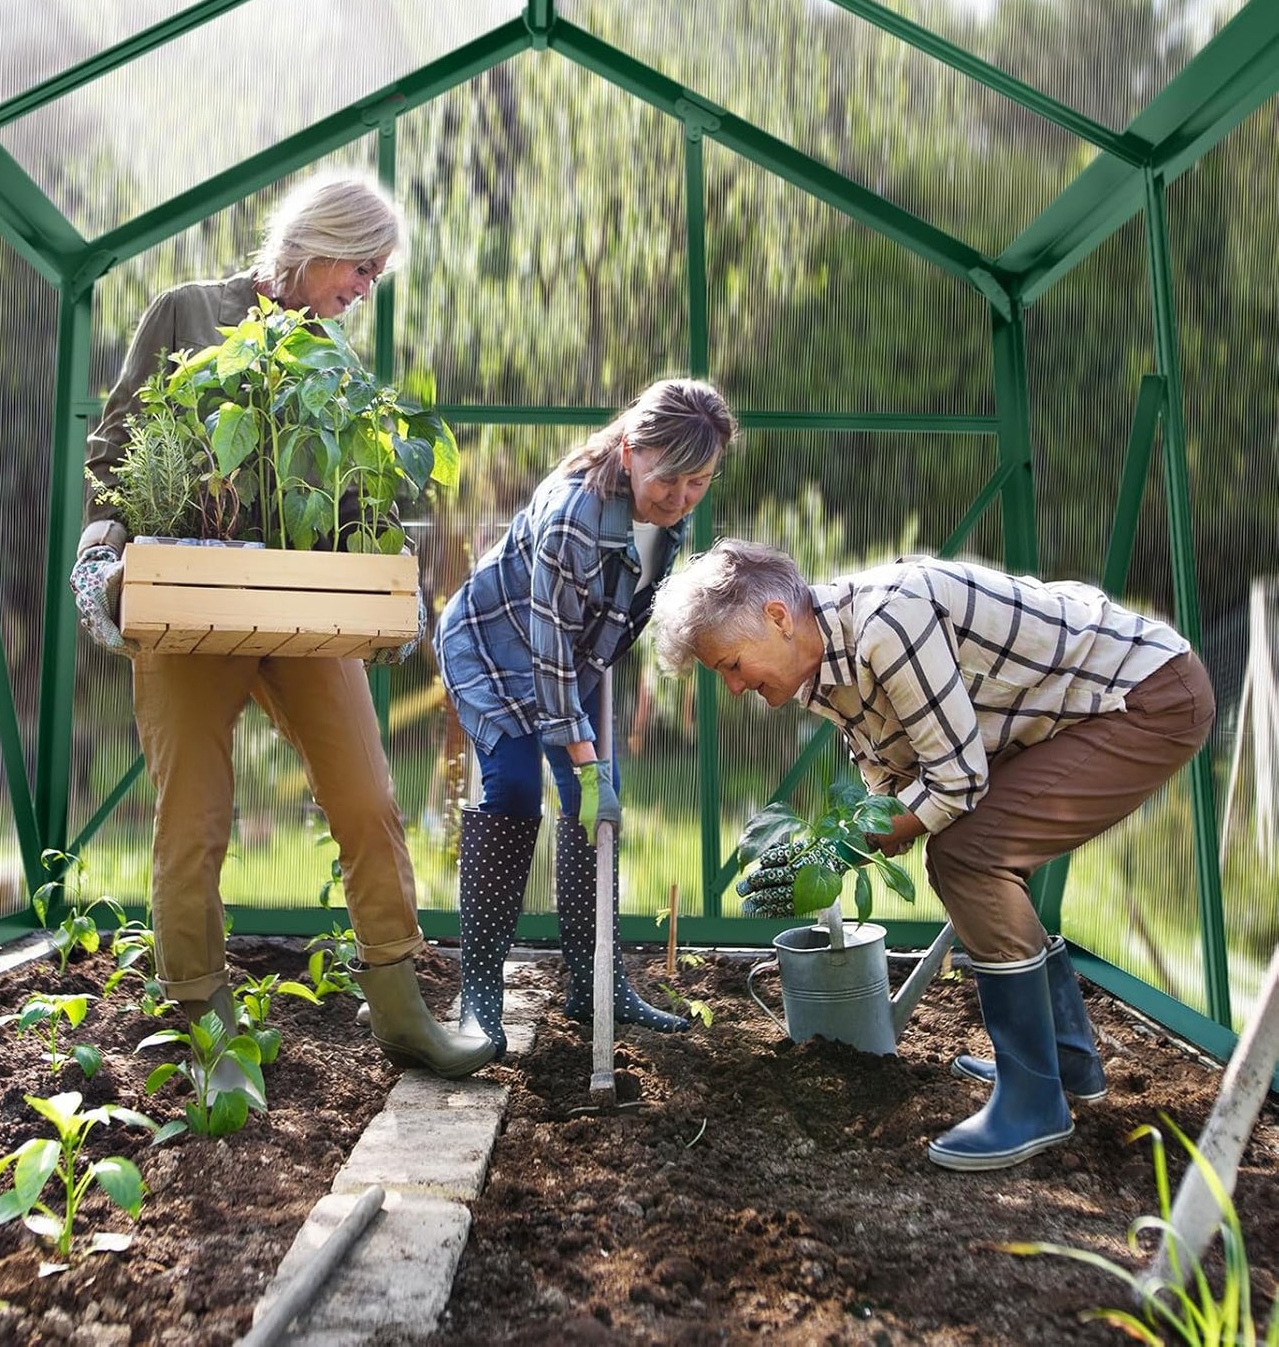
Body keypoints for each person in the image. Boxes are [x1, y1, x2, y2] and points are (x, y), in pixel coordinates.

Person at [68, 173, 495, 1090]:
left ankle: (401, 1007)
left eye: (379, 274)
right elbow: (114, 450)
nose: (366, 287)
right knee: (194, 817)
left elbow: (351, 501)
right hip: (191, 604)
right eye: (362, 265)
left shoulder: (334, 365)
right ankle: (205, 1023)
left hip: (303, 611)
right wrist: (101, 556)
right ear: (317, 241)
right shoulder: (186, 314)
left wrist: (389, 581)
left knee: (367, 800)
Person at [649, 541, 1215, 1171]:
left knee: (968, 855)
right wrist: (826, 859)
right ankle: (1065, 1059)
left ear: (779, 618)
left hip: (1141, 696)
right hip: (1068, 718)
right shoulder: (822, 674)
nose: (731, 688)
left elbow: (955, 784)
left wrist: (842, 850)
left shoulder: (888, 622)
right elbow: (892, 790)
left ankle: (1032, 1099)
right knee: (972, 851)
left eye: (730, 664)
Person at [436, 379, 737, 1058]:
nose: (682, 496)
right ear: (629, 450)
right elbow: (545, 659)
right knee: (513, 788)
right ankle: (481, 991)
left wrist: (591, 770)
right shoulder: (573, 513)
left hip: (573, 656)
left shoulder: (670, 513)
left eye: (699, 481)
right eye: (670, 478)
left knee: (595, 805)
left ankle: (596, 982)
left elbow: (613, 622)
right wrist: (582, 755)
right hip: (492, 644)